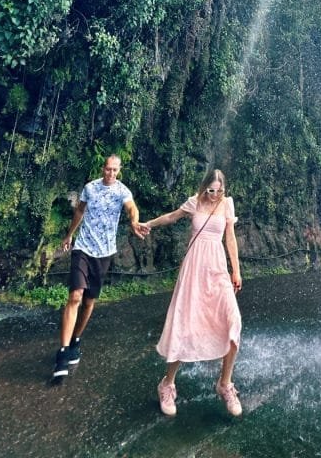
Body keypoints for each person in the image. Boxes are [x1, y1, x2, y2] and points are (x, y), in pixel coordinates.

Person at [140, 168, 243, 417]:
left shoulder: (226, 204)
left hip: (217, 269)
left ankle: (224, 384)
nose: (215, 195)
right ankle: (167, 384)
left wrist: (236, 271)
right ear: (204, 186)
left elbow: (230, 238)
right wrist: (149, 224)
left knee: (234, 321)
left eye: (219, 191)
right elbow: (171, 217)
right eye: (211, 190)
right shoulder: (194, 202)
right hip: (194, 271)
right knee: (185, 324)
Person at [53, 154, 144, 378]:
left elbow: (132, 208)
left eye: (114, 170)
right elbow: (80, 211)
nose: (110, 173)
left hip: (104, 252)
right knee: (75, 296)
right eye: (107, 169)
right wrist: (68, 236)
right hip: (82, 248)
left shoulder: (122, 191)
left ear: (119, 171)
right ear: (102, 168)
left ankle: (75, 339)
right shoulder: (90, 188)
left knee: (89, 301)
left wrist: (133, 222)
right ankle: (62, 354)